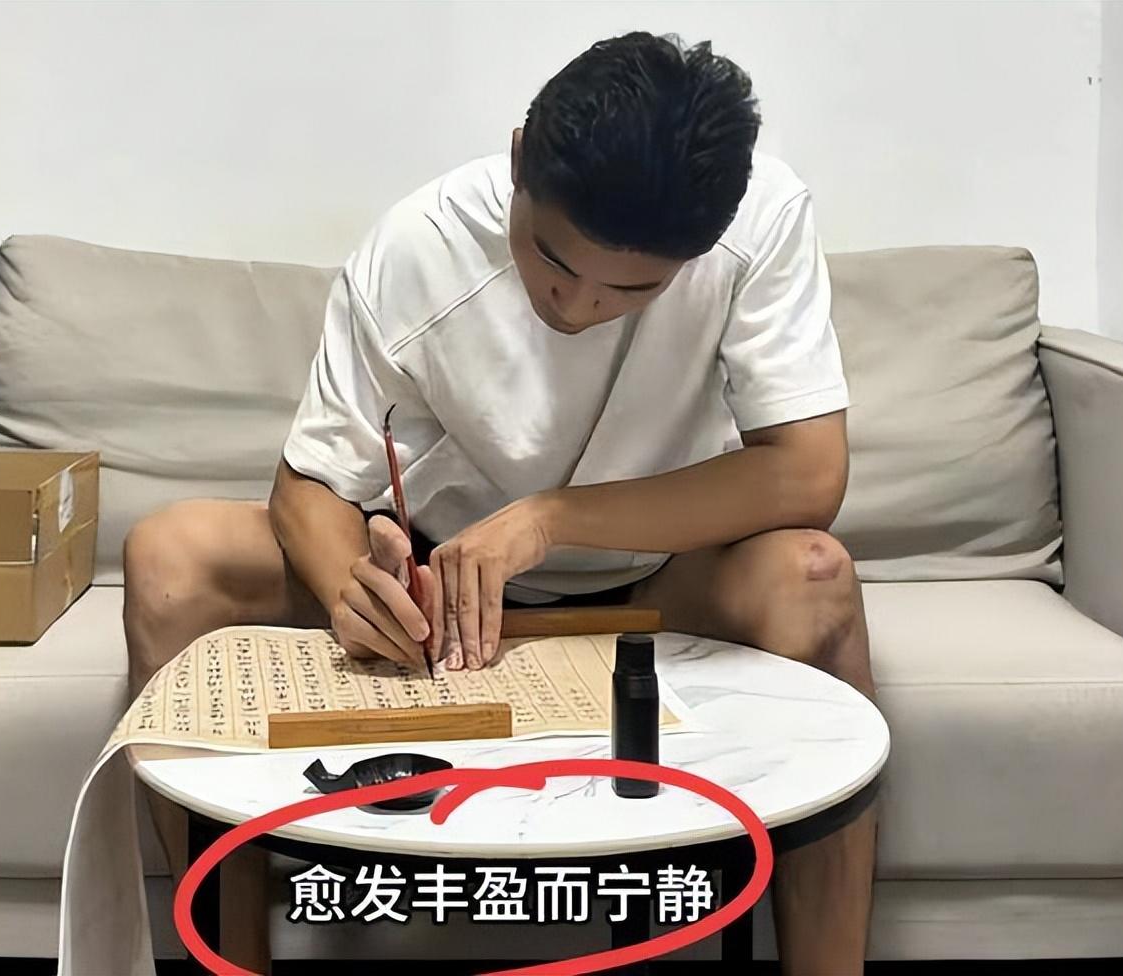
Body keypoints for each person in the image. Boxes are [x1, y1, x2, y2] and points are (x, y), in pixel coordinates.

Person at [124, 30, 877, 975]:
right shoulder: (419, 246)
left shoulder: (761, 220)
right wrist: (355, 588)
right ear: (520, 159)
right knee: (171, 558)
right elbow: (310, 483)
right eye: (551, 259)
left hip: (659, 586)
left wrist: (549, 519)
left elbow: (807, 475)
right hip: (438, 600)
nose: (578, 304)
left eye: (634, 288)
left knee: (814, 578)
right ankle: (228, 964)